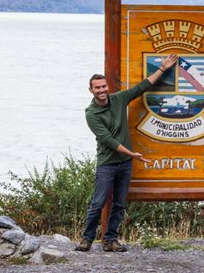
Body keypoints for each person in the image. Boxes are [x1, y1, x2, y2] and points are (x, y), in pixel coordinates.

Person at [76, 53, 178, 252]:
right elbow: (108, 141)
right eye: (97, 88)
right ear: (91, 91)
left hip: (125, 163)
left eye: (103, 86)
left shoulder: (119, 99)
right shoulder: (91, 114)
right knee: (98, 203)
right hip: (107, 163)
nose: (102, 90)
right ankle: (86, 239)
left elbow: (142, 87)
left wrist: (163, 68)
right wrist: (132, 154)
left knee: (120, 204)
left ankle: (110, 241)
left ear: (107, 87)